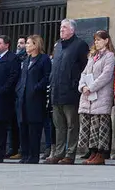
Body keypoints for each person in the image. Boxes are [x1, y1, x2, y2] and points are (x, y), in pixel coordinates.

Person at [43, 19, 88, 164]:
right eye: (61, 27)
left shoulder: (80, 45)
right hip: (56, 91)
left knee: (72, 125)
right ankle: (58, 152)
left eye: (64, 27)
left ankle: (70, 153)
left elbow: (85, 68)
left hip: (71, 92)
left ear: (72, 30)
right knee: (59, 125)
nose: (61, 29)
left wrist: (76, 84)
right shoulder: (58, 45)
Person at [76, 29, 115, 165]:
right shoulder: (92, 56)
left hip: (101, 96)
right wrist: (82, 87)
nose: (96, 42)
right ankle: (92, 152)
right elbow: (84, 73)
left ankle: (100, 154)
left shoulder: (109, 56)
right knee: (90, 126)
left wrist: (91, 87)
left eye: (99, 40)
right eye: (95, 40)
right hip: (88, 97)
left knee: (100, 126)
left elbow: (106, 75)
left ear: (106, 40)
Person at [16, 34, 51, 165]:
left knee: (34, 128)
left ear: (36, 45)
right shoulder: (26, 60)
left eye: (29, 43)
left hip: (36, 98)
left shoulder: (44, 59)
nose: (26, 46)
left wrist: (37, 87)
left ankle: (33, 155)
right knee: (23, 126)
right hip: (23, 97)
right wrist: (19, 89)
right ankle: (25, 154)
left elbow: (47, 76)